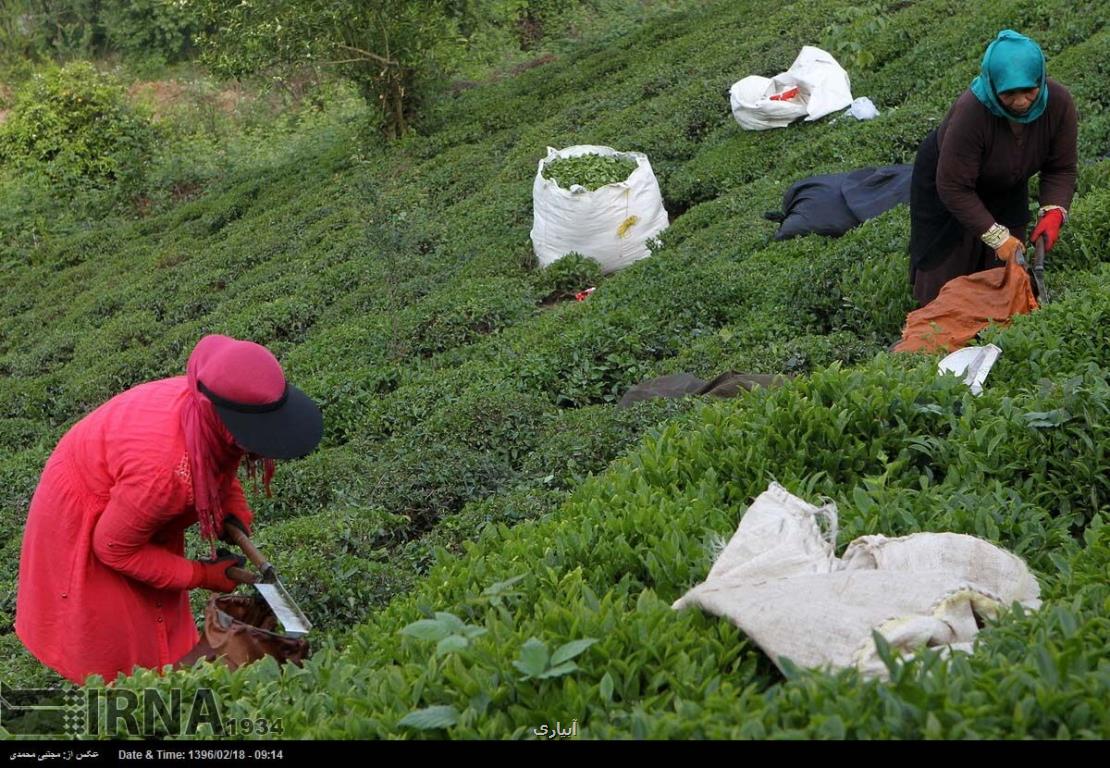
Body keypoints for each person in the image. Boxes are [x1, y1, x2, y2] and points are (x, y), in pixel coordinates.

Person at [15, 334, 323, 684]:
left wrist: (232, 510)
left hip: (129, 497)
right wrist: (203, 575)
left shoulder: (206, 411)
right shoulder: (166, 475)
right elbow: (113, 548)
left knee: (161, 625)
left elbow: (220, 459)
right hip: (92, 520)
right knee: (124, 652)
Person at [908, 29, 1078, 306]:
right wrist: (997, 237)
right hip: (950, 181)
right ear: (992, 85)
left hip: (1008, 179)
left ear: (1041, 80)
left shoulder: (1059, 104)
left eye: (1029, 90)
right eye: (1009, 93)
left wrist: (1053, 211)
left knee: (1009, 275)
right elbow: (953, 186)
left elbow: (1061, 168)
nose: (1021, 102)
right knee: (943, 286)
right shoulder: (971, 112)